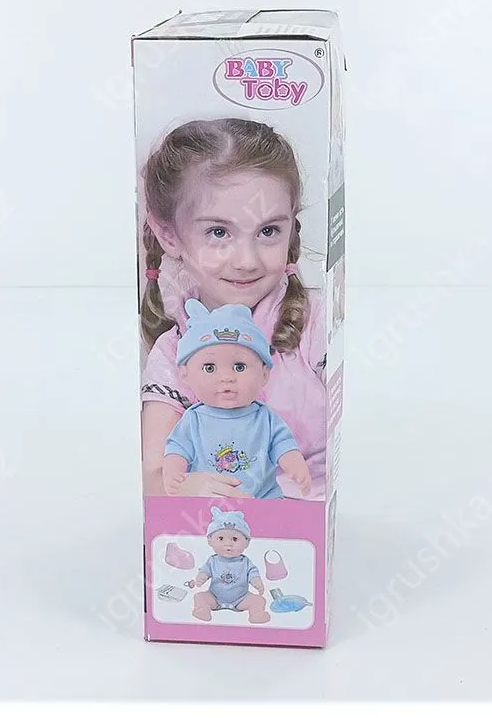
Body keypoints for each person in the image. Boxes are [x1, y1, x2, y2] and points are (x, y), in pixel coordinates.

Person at [140, 117, 326, 498]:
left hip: (317, 520)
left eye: (268, 231)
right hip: (220, 523)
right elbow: (153, 478)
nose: (246, 261)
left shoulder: (314, 323)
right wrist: (184, 487)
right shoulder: (173, 354)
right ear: (169, 235)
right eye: (219, 232)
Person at [162, 298, 311, 499]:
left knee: (277, 516)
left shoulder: (265, 418)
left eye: (239, 367)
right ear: (185, 374)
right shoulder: (193, 419)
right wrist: (173, 472)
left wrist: (294, 463)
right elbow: (178, 448)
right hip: (210, 499)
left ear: (264, 374)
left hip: (264, 498)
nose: (227, 377)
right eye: (210, 368)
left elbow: (282, 443)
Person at [188, 507, 270, 623]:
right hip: (215, 597)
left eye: (235, 539)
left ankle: (257, 614)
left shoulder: (245, 562)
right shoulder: (213, 561)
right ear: (210, 541)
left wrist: (256, 581)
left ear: (246, 542)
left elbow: (252, 572)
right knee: (199, 597)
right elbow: (205, 570)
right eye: (221, 538)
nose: (228, 544)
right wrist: (202, 576)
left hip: (241, 599)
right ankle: (203, 610)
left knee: (259, 600)